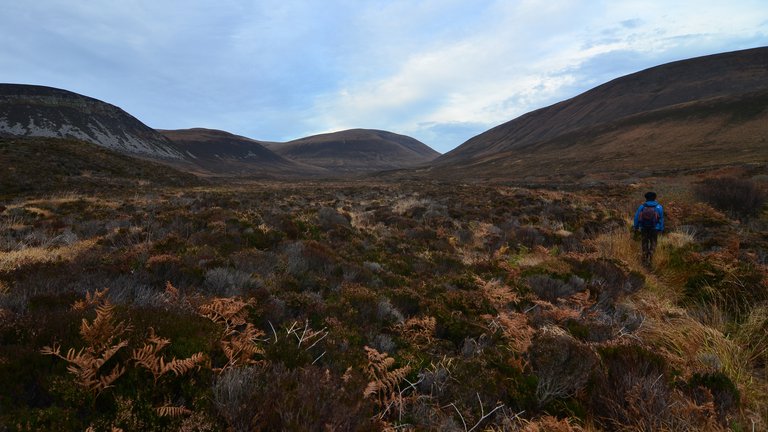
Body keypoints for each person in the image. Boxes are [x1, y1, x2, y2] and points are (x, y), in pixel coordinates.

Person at [633, 191, 664, 267]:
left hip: (644, 227)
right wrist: (661, 228)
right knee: (653, 242)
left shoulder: (642, 207)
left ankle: (644, 259)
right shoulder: (659, 207)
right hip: (655, 228)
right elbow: (661, 219)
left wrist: (636, 226)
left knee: (644, 242)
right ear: (655, 198)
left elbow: (636, 217)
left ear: (646, 198)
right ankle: (651, 258)